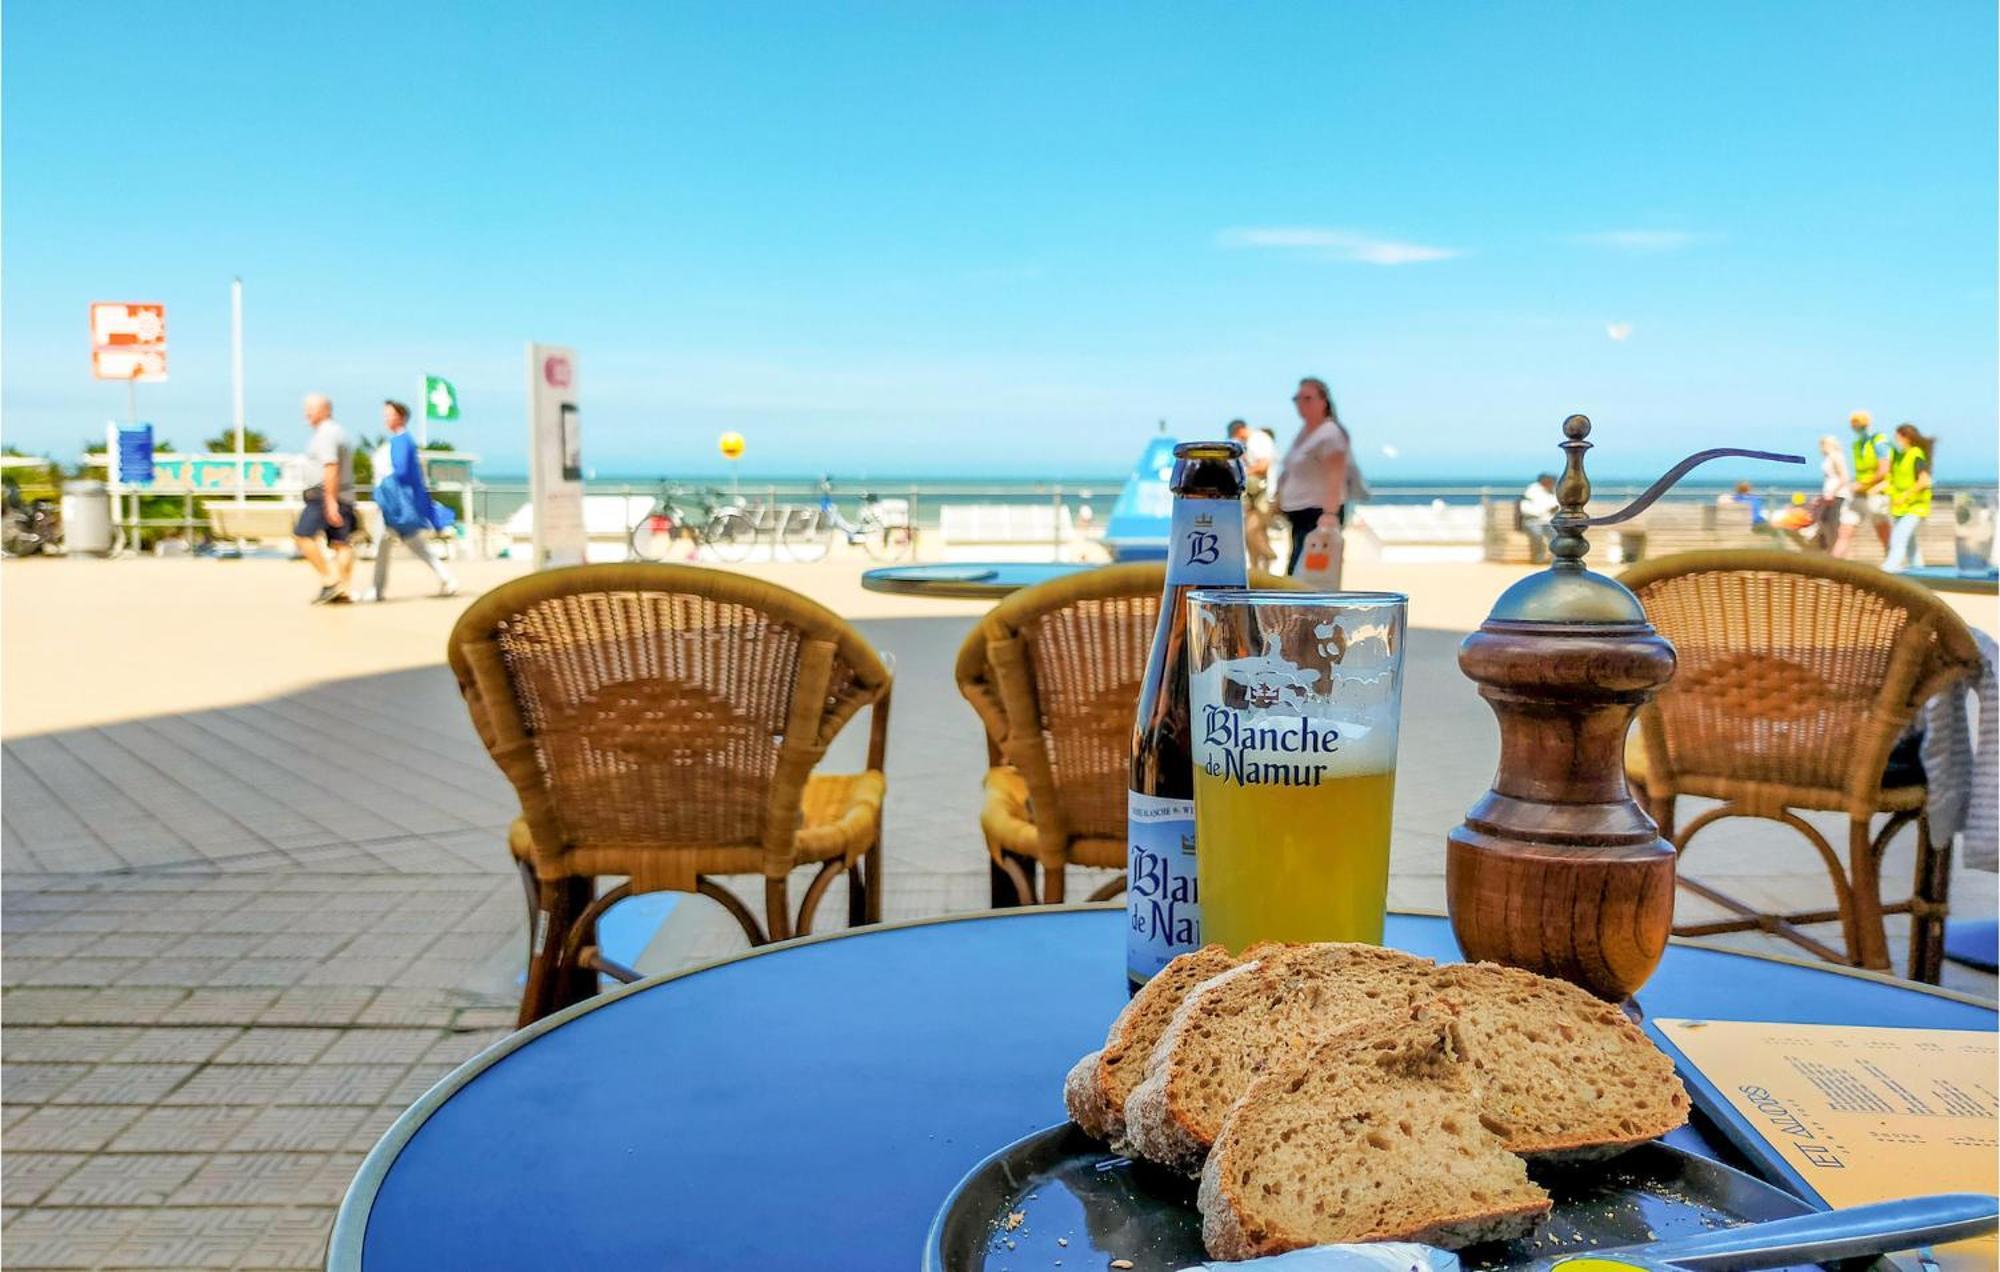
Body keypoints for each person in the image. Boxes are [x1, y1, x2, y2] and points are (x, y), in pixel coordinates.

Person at [364, 400, 459, 601]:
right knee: (413, 545)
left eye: (389, 414)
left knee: (384, 544)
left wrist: (386, 493)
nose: (385, 418)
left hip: (394, 505)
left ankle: (376, 590)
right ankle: (446, 578)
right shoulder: (402, 442)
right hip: (396, 503)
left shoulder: (401, 441)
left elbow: (403, 474)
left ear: (400, 416)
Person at [1275, 376, 1351, 580]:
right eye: (1297, 399)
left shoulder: (1330, 433)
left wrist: (1330, 514)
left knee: (1308, 577)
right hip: (1299, 513)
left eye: (1307, 398)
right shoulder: (1306, 433)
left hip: (1317, 514)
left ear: (1323, 402)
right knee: (1297, 572)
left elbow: (1336, 474)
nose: (1301, 404)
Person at [294, 393, 357, 604]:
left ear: (326, 409)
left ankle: (330, 581)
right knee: (341, 543)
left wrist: (330, 502)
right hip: (344, 494)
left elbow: (331, 467)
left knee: (303, 535)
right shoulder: (338, 432)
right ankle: (343, 589)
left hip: (324, 495)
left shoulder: (326, 434)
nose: (306, 413)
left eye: (311, 408)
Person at [1836, 409, 1893, 559]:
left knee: (1882, 529)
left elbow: (1884, 470)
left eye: (1859, 423)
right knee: (1845, 530)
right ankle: (1834, 565)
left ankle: (1892, 561)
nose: (1856, 426)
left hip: (1877, 493)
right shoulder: (1858, 445)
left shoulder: (1879, 441)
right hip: (1859, 494)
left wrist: (1862, 485)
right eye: (1854, 423)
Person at [1882, 423, 1934, 574]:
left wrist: (1906, 495)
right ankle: (1919, 571)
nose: (1895, 440)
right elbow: (1893, 479)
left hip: (1915, 505)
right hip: (1900, 506)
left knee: (1898, 537)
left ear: (1907, 438)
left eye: (1897, 437)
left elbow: (1924, 481)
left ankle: (1888, 569)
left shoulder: (1916, 454)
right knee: (1910, 543)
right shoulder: (1897, 456)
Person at [1229, 419, 1278, 572]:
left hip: (1264, 494)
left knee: (1252, 530)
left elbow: (1263, 466)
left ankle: (1269, 556)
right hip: (1258, 495)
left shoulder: (1257, 440)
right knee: (1257, 532)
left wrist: (1243, 473)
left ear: (1239, 431)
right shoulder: (1255, 440)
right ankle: (1259, 569)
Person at [1811, 434, 1850, 552]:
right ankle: (1827, 549)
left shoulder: (1836, 456)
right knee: (1824, 522)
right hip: (1829, 494)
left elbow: (1844, 477)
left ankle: (1832, 551)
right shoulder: (1829, 457)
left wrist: (1833, 492)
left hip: (1836, 495)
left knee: (1831, 523)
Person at [1518, 474, 1560, 561]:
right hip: (1532, 521)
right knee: (1537, 534)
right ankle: (1538, 558)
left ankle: (1556, 559)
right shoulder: (1532, 491)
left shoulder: (1553, 491)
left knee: (1556, 536)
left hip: (1548, 522)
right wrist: (1544, 511)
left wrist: (1554, 510)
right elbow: (1525, 508)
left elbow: (1557, 505)